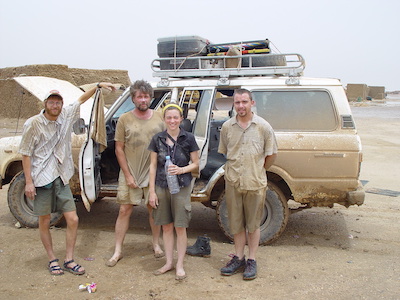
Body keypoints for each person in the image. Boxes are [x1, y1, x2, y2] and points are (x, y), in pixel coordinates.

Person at [20, 82, 117, 275]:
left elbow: (82, 99)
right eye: (52, 102)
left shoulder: (65, 116)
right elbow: (25, 153)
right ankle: (51, 259)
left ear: (61, 105)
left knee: (72, 218)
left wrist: (98, 86)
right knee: (45, 220)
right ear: (45, 103)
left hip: (61, 176)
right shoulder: (33, 124)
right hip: (41, 178)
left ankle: (69, 259)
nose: (55, 106)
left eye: (58, 102)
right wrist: (28, 182)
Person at [218, 88, 277, 280]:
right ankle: (239, 258)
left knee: (253, 224)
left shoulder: (264, 127)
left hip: (254, 182)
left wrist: (257, 169)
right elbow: (226, 152)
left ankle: (252, 260)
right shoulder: (227, 127)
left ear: (252, 103)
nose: (241, 106)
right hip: (233, 181)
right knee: (236, 224)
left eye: (244, 102)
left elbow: (271, 155)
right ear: (233, 104)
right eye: (237, 102)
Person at [106, 80, 165, 267]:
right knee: (124, 210)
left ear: (150, 97)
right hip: (129, 171)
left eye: (146, 96)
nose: (143, 99)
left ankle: (156, 244)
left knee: (153, 209)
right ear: (133, 99)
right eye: (139, 96)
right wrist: (128, 175)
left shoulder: (159, 118)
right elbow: (119, 149)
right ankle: (118, 250)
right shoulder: (124, 119)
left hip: (152, 173)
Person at [148, 103, 199, 281]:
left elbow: (196, 163)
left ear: (181, 119)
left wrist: (181, 170)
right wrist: (152, 192)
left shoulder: (188, 138)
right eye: (169, 117)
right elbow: (153, 166)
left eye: (175, 117)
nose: (172, 120)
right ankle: (169, 262)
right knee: (166, 226)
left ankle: (180, 265)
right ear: (164, 119)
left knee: (180, 226)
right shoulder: (157, 139)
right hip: (162, 186)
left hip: (182, 187)